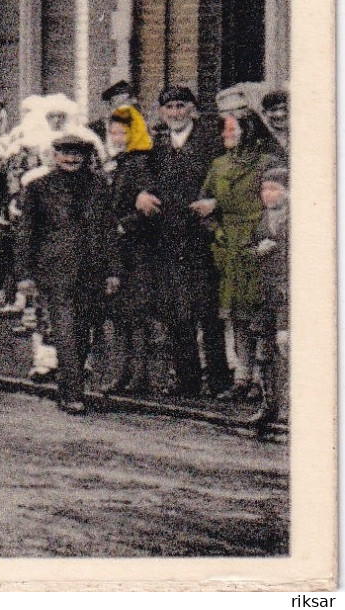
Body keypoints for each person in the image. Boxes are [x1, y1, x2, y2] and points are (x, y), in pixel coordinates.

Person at [134, 85, 230, 397]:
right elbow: (140, 177)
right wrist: (141, 195)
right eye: (169, 107)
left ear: (192, 109)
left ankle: (219, 381)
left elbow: (224, 181)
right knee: (176, 310)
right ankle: (187, 381)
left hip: (201, 236)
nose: (175, 113)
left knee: (208, 309)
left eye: (181, 106)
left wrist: (214, 203)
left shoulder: (211, 142)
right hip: (166, 236)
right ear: (161, 112)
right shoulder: (155, 143)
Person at [16, 131, 119, 415]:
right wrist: (24, 274)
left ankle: (70, 384)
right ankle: (71, 393)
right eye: (65, 153)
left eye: (77, 154)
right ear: (55, 155)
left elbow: (108, 231)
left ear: (86, 157)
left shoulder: (98, 187)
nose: (71, 159)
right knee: (65, 331)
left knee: (82, 331)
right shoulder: (38, 187)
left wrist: (112, 271)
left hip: (91, 270)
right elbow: (26, 233)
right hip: (55, 271)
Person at [193, 112, 276, 402]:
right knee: (236, 316)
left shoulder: (267, 163)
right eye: (224, 130)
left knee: (259, 313)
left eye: (231, 129)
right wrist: (217, 233)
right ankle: (242, 377)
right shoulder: (218, 165)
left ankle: (263, 380)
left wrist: (266, 236)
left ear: (248, 131)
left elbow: (275, 203)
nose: (225, 135)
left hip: (259, 245)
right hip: (229, 248)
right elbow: (202, 207)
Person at [102, 105, 155, 393]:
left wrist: (125, 225)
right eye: (112, 132)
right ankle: (121, 373)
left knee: (135, 316)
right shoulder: (117, 164)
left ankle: (139, 375)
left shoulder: (140, 164)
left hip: (137, 250)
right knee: (119, 315)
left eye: (122, 132)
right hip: (117, 250)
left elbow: (151, 206)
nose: (116, 137)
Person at [247, 166, 288, 428]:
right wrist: (256, 251)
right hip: (264, 294)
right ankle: (268, 404)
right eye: (264, 189)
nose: (268, 194)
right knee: (264, 351)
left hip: (286, 295)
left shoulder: (294, 220)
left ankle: (287, 406)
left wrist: (278, 247)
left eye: (274, 189)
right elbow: (250, 250)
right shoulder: (261, 219)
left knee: (286, 347)